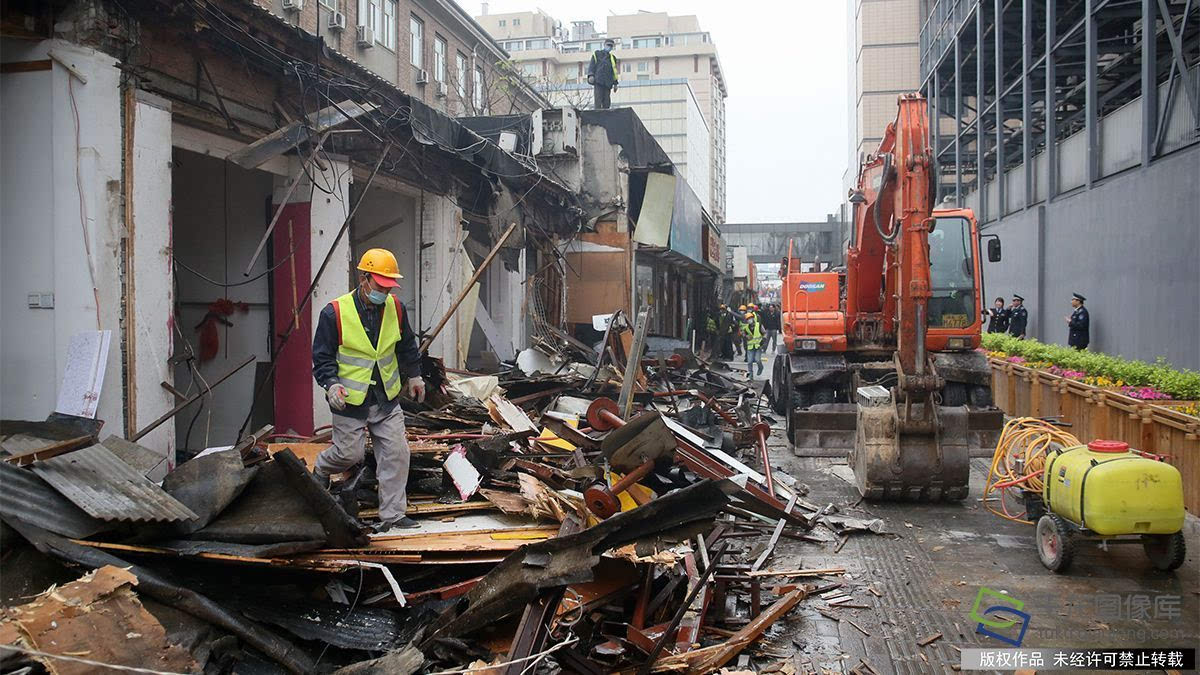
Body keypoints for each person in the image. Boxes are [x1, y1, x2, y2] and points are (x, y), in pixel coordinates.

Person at [312, 248, 426, 532]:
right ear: (364, 279)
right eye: (380, 286)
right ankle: (322, 468)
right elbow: (322, 358)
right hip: (350, 400)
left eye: (390, 287)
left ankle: (393, 515)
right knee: (349, 455)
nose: (385, 292)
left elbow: (407, 346)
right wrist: (331, 384)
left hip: (385, 398)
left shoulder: (396, 308)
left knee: (397, 454)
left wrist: (415, 376)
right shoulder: (334, 312)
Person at [587, 38, 619, 110]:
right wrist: (591, 75)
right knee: (598, 101)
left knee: (607, 102)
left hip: (608, 83)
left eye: (611, 46)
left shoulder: (612, 58)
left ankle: (606, 117)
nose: (609, 47)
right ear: (604, 45)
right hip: (598, 81)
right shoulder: (597, 54)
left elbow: (614, 71)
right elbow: (592, 65)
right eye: (608, 45)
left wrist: (615, 83)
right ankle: (598, 116)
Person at [743, 311, 764, 378]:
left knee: (757, 360)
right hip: (750, 347)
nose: (749, 320)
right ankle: (751, 375)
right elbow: (743, 333)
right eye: (748, 319)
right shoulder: (746, 328)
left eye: (750, 318)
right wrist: (746, 336)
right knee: (749, 362)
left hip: (758, 346)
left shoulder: (759, 325)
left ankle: (760, 368)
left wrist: (763, 340)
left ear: (753, 318)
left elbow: (764, 333)